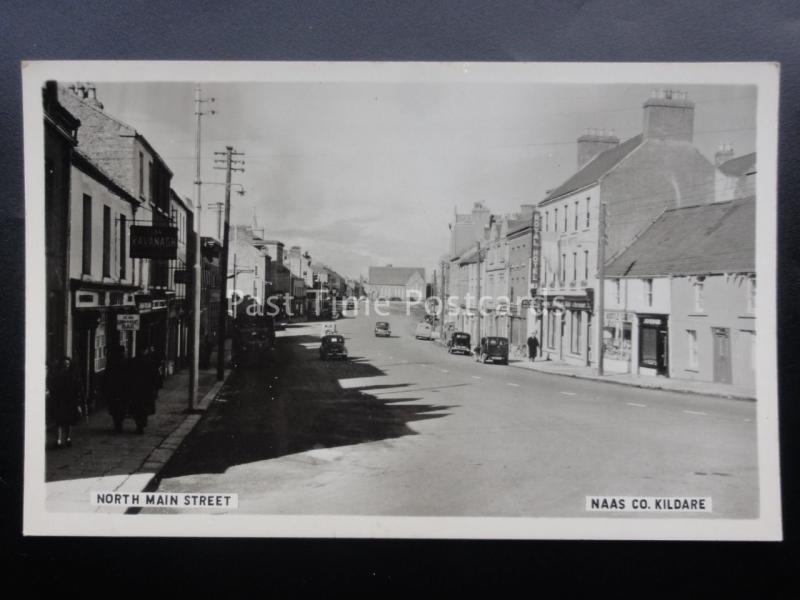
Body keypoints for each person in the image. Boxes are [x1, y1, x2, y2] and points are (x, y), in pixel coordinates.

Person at [48, 356, 82, 448]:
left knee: (68, 421)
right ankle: (58, 440)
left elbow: (77, 389)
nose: (66, 365)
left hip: (70, 401)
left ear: (70, 365)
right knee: (59, 421)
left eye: (67, 364)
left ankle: (68, 438)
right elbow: (54, 387)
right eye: (64, 364)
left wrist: (78, 403)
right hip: (60, 401)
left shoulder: (72, 375)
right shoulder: (58, 375)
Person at [105, 345, 128, 433]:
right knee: (121, 408)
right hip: (122, 389)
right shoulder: (125, 362)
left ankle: (117, 423)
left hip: (115, 389)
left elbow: (107, 376)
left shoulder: (111, 362)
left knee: (115, 408)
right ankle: (119, 423)